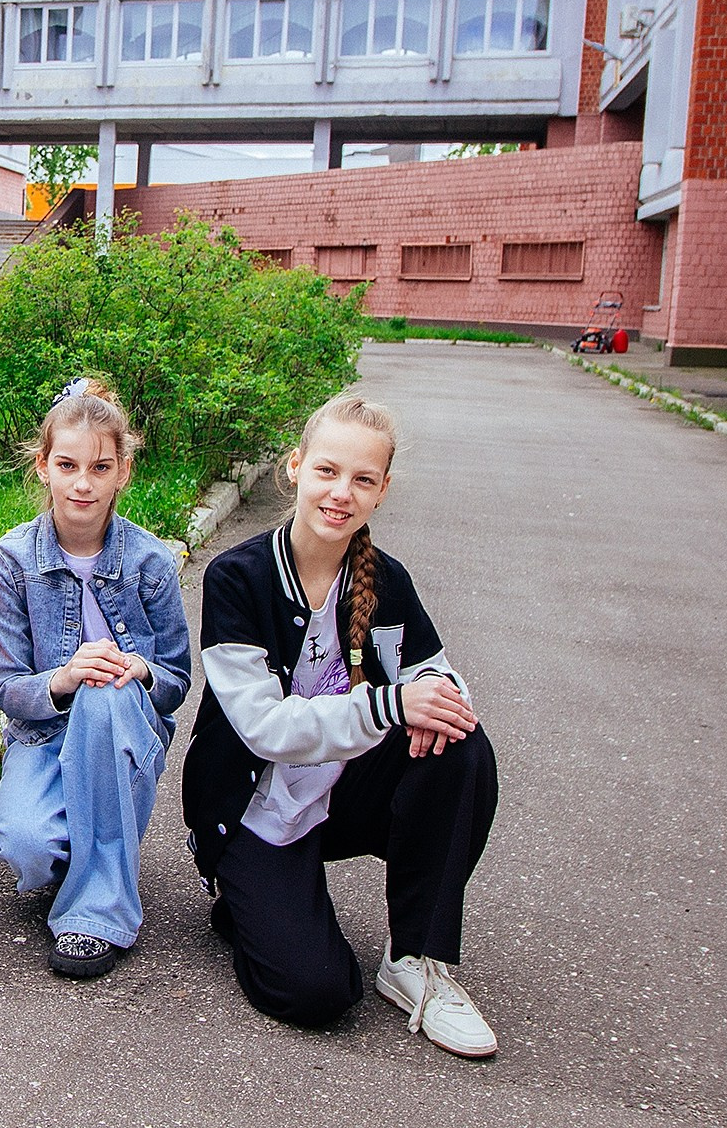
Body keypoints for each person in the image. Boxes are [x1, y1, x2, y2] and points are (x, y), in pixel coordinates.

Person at [182, 392, 501, 1057]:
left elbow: (436, 674)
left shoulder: (386, 579)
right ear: (295, 467)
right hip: (253, 805)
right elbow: (264, 727)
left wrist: (433, 695)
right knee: (317, 993)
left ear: (383, 489)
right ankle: (242, 896)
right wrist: (392, 706)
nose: (341, 493)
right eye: (327, 470)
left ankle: (416, 958)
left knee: (461, 747)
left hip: (342, 793)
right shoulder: (238, 578)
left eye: (362, 479)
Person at [0, 378, 191, 979]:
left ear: (122, 472)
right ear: (43, 467)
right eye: (67, 465)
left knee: (107, 698)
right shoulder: (13, 559)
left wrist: (141, 671)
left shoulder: (150, 560)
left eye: (100, 468)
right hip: (44, 733)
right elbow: (6, 686)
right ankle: (91, 844)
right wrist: (66, 678)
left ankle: (98, 912)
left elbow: (177, 678)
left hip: (124, 729)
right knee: (26, 848)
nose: (83, 483)